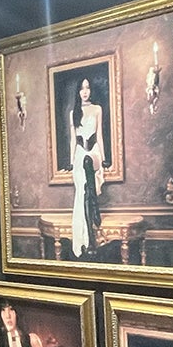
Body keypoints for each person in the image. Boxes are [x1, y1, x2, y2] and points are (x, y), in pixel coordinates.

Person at [69, 77, 105, 258]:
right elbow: (73, 140)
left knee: (88, 162)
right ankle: (90, 237)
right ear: (78, 91)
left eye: (87, 87)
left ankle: (94, 211)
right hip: (79, 154)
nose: (85, 91)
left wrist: (104, 159)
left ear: (91, 90)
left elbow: (99, 136)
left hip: (93, 152)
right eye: (82, 88)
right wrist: (70, 162)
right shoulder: (73, 113)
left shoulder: (97, 109)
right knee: (84, 190)